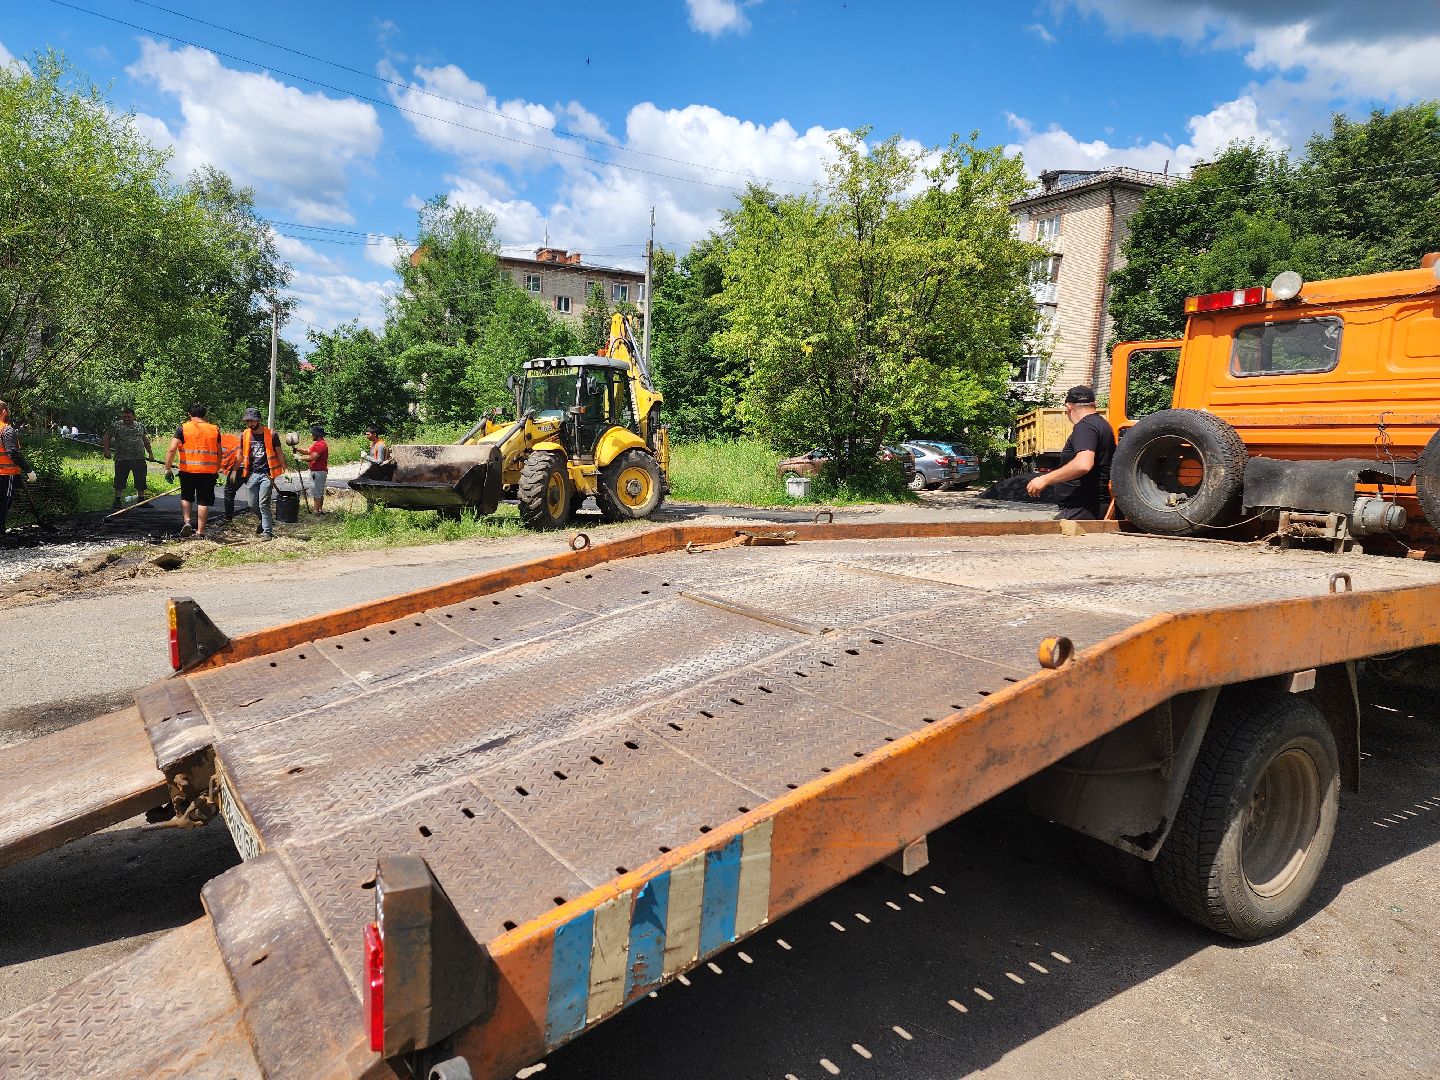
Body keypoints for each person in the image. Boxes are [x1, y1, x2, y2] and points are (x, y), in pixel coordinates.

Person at [1026, 385, 1117, 520]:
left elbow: (1083, 464)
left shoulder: (1085, 427)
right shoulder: (1102, 424)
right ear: (1095, 404)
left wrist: (1044, 479)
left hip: (1084, 508)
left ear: (1068, 407)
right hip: (1094, 506)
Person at [163, 403, 221, 539]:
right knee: (203, 501)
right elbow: (219, 452)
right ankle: (200, 531)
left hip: (187, 470)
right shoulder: (214, 429)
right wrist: (216, 469)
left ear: (189, 414)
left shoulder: (183, 428)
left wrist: (168, 469)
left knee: (186, 497)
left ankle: (187, 521)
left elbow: (172, 449)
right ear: (205, 415)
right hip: (208, 472)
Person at [238, 407, 285, 541]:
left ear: (258, 420)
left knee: (264, 503)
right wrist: (235, 470)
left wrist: (285, 470)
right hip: (252, 474)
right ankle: (264, 522)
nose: (249, 424)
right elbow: (241, 454)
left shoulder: (272, 435)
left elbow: (279, 453)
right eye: (247, 421)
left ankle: (267, 532)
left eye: (252, 421)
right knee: (252, 504)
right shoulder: (244, 435)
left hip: (267, 475)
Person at [102, 406, 153, 509]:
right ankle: (117, 501)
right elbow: (107, 437)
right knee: (119, 481)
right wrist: (106, 450)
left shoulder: (140, 426)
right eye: (124, 417)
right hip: (122, 459)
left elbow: (145, 440)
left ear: (134, 417)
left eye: (129, 417)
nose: (126, 419)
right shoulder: (116, 425)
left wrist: (150, 453)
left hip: (138, 458)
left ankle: (141, 500)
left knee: (141, 479)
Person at [0, 400, 38, 537]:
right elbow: (13, 453)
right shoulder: (6, 430)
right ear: (4, 412)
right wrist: (28, 470)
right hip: (5, 473)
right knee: (5, 501)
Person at [294, 424, 329, 513]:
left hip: (318, 472)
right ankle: (319, 510)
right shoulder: (317, 444)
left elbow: (312, 457)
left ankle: (316, 511)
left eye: (313, 434)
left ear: (318, 435)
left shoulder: (320, 445)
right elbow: (308, 451)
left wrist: (299, 458)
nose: (311, 435)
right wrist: (297, 449)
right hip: (318, 471)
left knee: (317, 492)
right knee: (319, 491)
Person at [219, 430, 243, 523]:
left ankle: (228, 518)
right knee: (255, 492)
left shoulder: (216, 443)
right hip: (248, 463)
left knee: (229, 491)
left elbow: (222, 459)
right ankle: (266, 519)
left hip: (239, 466)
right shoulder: (228, 436)